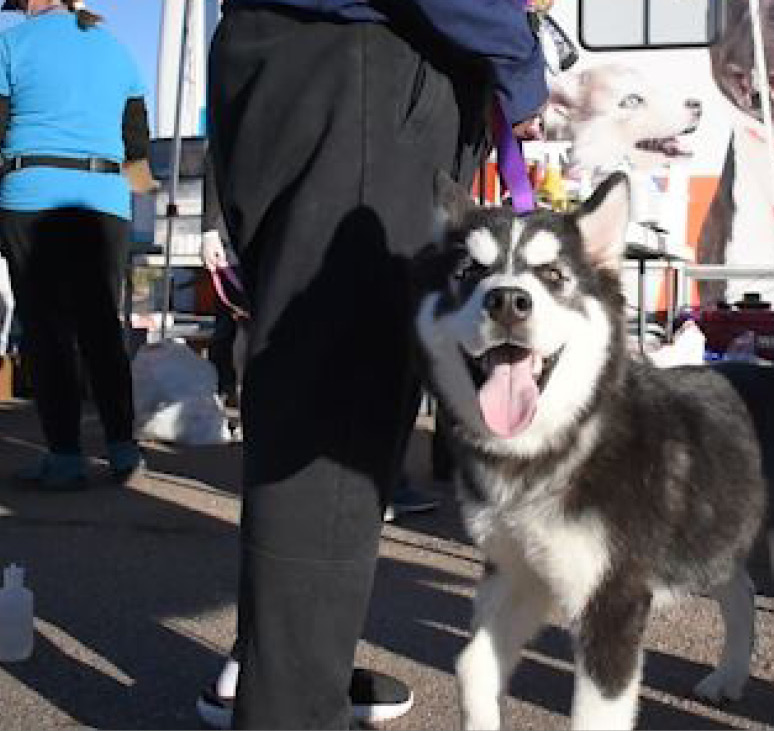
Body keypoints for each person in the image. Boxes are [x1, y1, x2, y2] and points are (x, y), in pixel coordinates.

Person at [205, 0, 547, 726]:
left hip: (324, 70)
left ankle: (288, 668)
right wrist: (516, 58)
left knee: (319, 392)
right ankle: (289, 705)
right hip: (359, 76)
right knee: (338, 407)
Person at [0, 0, 149, 488]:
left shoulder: (8, 45)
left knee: (47, 330)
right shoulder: (118, 50)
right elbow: (137, 148)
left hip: (32, 197)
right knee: (101, 326)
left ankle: (65, 457)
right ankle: (122, 449)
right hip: (105, 202)